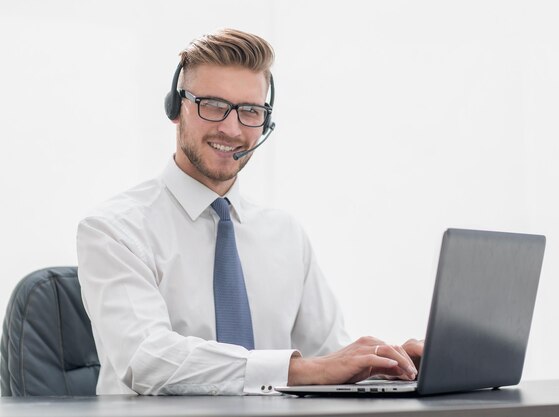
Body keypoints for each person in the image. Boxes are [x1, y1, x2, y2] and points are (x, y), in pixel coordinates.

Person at [77, 28, 423, 396]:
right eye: (212, 105)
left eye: (250, 111)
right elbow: (148, 361)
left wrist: (386, 366)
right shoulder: (114, 230)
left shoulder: (285, 234)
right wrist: (294, 370)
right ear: (176, 108)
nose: (231, 128)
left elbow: (329, 358)